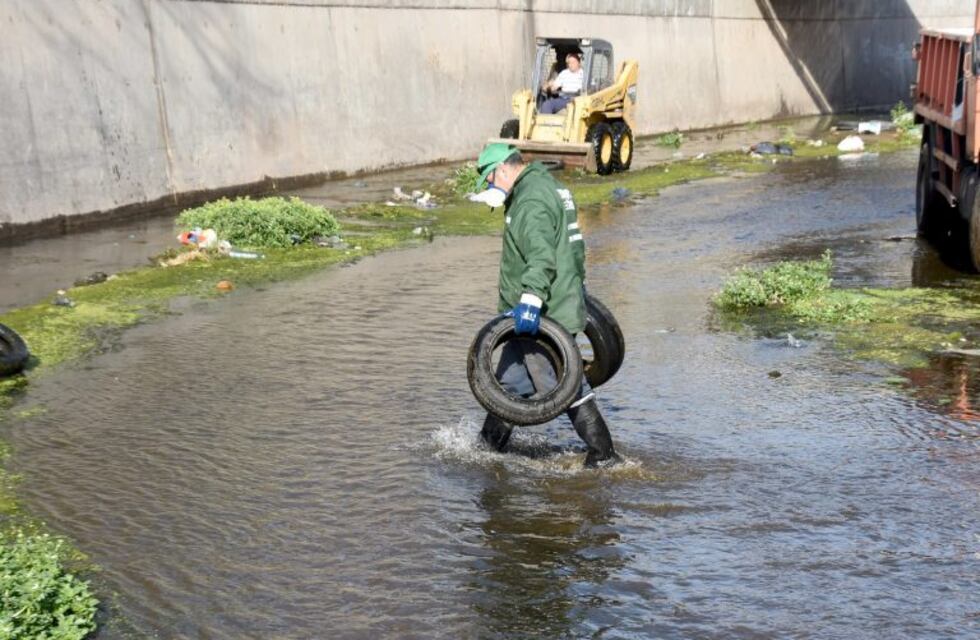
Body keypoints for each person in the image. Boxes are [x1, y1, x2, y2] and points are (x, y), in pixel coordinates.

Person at [472, 142, 621, 468]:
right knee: (509, 386)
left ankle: (604, 456)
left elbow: (541, 256)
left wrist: (531, 300)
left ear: (502, 169)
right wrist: (575, 286)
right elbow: (574, 247)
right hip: (554, 301)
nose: (490, 185)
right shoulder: (548, 185)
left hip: (542, 315)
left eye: (489, 179)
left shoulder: (530, 201)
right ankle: (484, 453)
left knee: (566, 386)